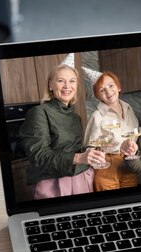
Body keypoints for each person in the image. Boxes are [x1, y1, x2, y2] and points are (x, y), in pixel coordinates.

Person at [18, 63, 105, 199]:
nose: (67, 86)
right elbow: (39, 156)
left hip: (81, 177)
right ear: (50, 85)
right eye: (60, 81)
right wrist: (79, 157)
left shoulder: (75, 116)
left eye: (72, 81)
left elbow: (75, 147)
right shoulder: (38, 113)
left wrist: (91, 153)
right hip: (53, 183)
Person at [83, 71, 141, 191]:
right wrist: (97, 154)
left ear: (118, 87)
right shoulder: (96, 116)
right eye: (102, 90)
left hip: (128, 162)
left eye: (111, 85)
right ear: (98, 96)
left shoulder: (128, 108)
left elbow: (133, 133)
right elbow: (88, 147)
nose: (108, 92)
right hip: (107, 166)